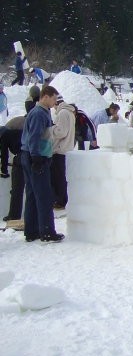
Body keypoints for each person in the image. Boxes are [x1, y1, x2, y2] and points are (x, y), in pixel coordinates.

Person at [20, 85, 65, 242]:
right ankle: (46, 231)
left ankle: (31, 231)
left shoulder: (39, 111)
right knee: (44, 195)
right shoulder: (39, 113)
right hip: (36, 156)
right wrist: (37, 157)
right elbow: (34, 136)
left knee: (32, 194)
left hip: (28, 155)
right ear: (45, 96)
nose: (54, 102)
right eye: (53, 98)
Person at [51, 96, 76, 210]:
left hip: (60, 149)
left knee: (58, 178)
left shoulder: (62, 113)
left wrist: (50, 130)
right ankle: (62, 200)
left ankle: (60, 201)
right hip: (67, 148)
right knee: (62, 177)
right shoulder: (70, 112)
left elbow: (61, 132)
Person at [0, 116, 25, 223]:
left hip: (21, 158)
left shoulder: (4, 136)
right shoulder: (13, 131)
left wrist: (4, 171)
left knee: (16, 189)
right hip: (33, 155)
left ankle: (14, 216)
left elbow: (4, 155)